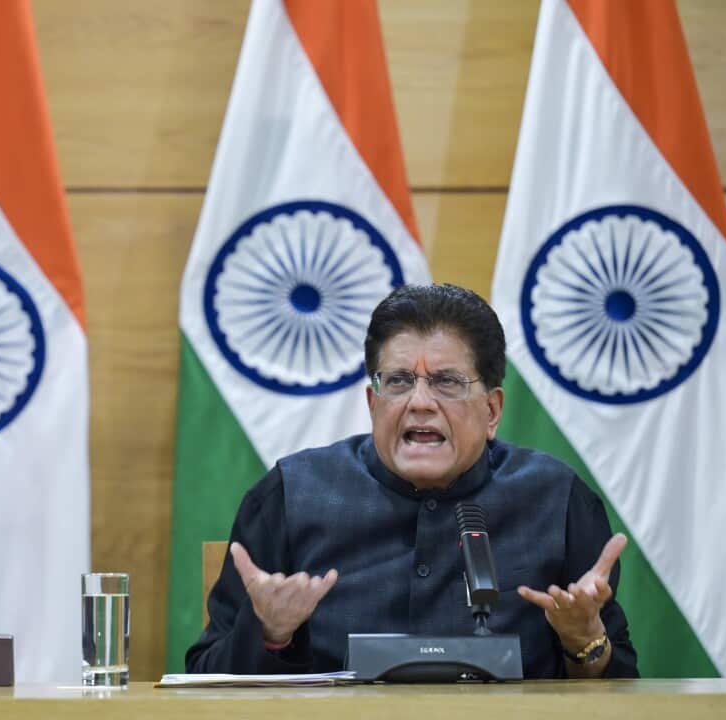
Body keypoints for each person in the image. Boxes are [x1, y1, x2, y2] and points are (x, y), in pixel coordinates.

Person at [186, 284, 637, 679]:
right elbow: (203, 679)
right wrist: (270, 632)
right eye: (399, 381)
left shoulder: (556, 499)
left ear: (492, 411)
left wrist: (585, 641)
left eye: (447, 382)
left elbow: (620, 688)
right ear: (373, 403)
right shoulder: (291, 494)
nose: (420, 402)